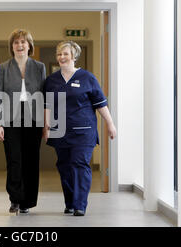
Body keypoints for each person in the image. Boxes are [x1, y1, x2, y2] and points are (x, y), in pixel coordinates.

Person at [43, 41, 117, 216]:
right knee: (64, 166)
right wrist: (45, 126)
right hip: (59, 130)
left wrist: (110, 123)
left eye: (65, 54)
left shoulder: (87, 78)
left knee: (80, 164)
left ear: (74, 56)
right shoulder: (51, 80)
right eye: (59, 54)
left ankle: (80, 205)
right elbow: (47, 105)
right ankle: (70, 202)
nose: (62, 57)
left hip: (84, 131)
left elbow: (100, 103)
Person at [0, 29, 46, 214]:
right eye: (16, 42)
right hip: (10, 120)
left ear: (29, 45)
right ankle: (15, 199)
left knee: (31, 161)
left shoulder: (39, 67)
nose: (20, 45)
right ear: (12, 46)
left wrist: (46, 125)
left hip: (34, 120)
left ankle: (27, 202)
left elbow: (44, 97)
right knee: (14, 160)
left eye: (24, 42)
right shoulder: (3, 68)